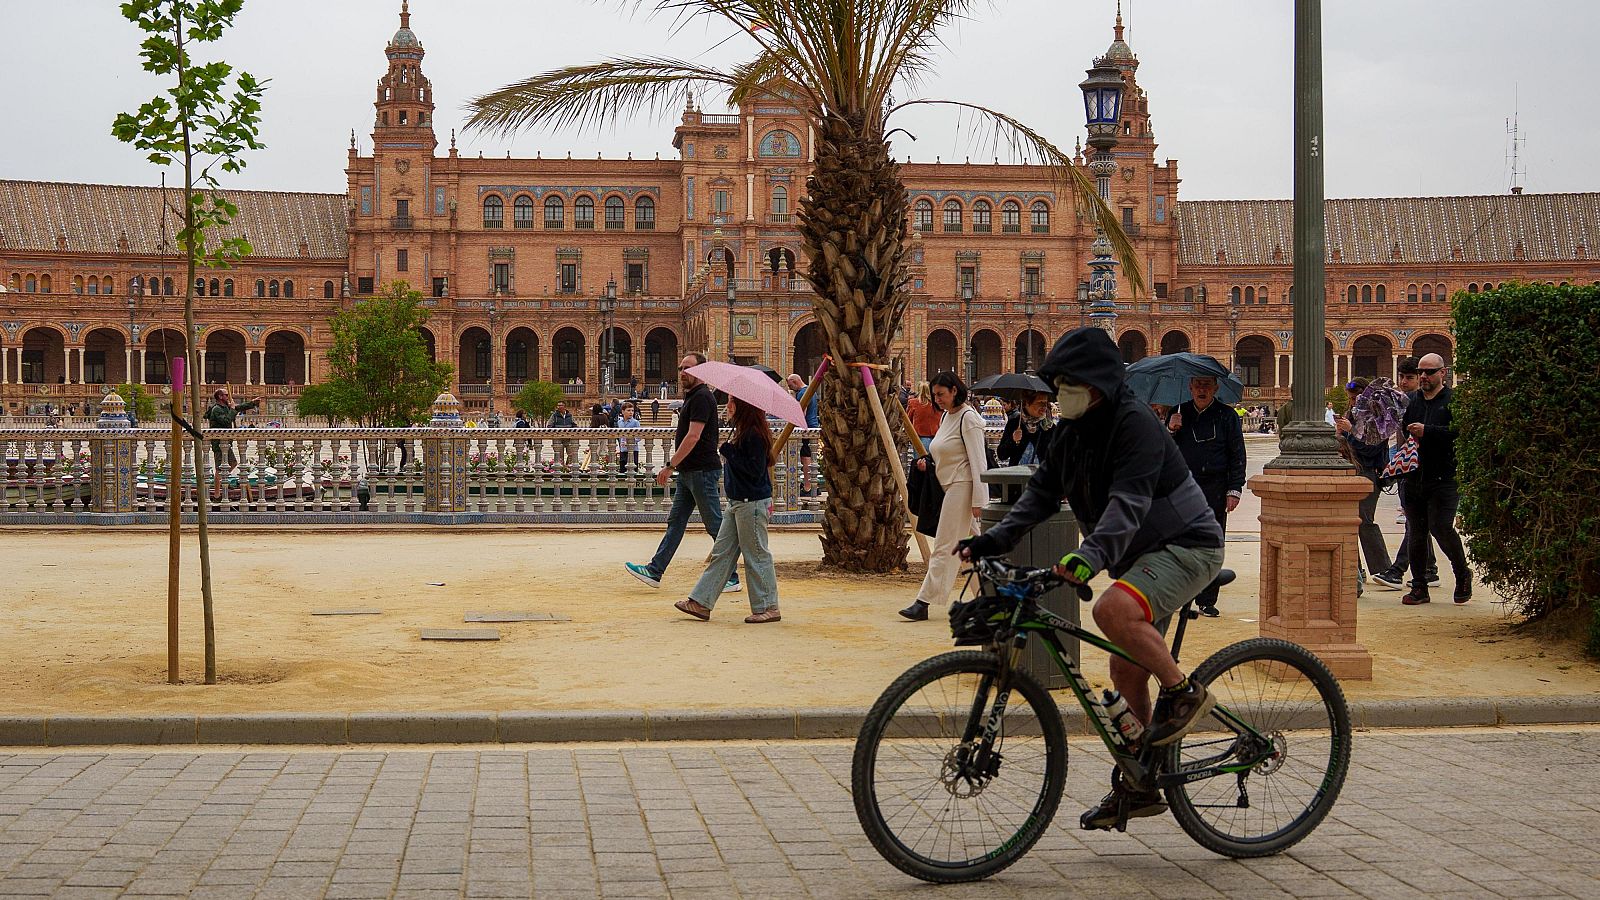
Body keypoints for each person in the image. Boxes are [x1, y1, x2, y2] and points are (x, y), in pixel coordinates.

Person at [957, 327, 1224, 830]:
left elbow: (1129, 504)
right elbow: (1039, 496)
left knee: (1110, 610)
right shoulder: (1070, 432)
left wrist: (1089, 556)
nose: (1059, 393)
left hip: (1186, 546)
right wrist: (991, 540)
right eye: (1057, 384)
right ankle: (1141, 783)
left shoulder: (1135, 425)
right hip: (1136, 561)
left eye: (1068, 383)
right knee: (1125, 674)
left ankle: (1184, 693)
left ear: (1097, 384)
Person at [626, 353, 741, 593]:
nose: (682, 372)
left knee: (714, 525)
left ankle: (731, 576)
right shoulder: (693, 397)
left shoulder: (702, 397)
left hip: (701, 471)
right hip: (689, 472)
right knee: (676, 522)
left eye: (687, 368)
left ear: (701, 371)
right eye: (680, 368)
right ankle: (655, 570)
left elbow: (693, 436)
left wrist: (670, 465)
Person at [673, 396, 780, 623]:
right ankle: (701, 602)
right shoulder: (743, 432)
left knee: (756, 554)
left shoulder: (753, 435)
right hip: (737, 502)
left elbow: (755, 469)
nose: (728, 406)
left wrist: (729, 452)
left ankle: (768, 606)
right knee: (722, 553)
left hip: (751, 503)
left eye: (732, 402)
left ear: (744, 406)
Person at [900, 372, 989, 622]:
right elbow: (944, 451)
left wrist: (979, 500)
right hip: (950, 485)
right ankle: (989, 597)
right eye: (935, 395)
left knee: (944, 544)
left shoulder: (968, 418)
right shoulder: (948, 416)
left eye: (941, 394)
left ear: (954, 391)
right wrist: (928, 464)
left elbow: (978, 461)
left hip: (962, 486)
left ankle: (924, 601)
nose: (937, 399)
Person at [1166, 375, 1245, 614]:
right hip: (1182, 488)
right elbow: (1162, 451)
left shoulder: (1227, 416)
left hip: (1215, 488)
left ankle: (1207, 600)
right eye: (1198, 385)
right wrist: (1170, 430)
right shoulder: (1177, 413)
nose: (1202, 389)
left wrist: (1235, 489)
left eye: (1207, 385)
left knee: (1211, 543)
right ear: (1190, 387)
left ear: (1215, 388)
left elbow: (1237, 454)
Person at [1398, 353, 1472, 605]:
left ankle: (1462, 574)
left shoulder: (1454, 401)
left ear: (1443, 373)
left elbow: (1461, 431)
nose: (1424, 376)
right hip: (1414, 476)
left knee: (1441, 528)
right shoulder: (1412, 401)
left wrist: (1427, 431)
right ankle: (1419, 586)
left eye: (1429, 372)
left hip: (1444, 477)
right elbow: (1404, 430)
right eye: (1421, 372)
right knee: (1417, 532)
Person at [1371, 357, 1437, 591]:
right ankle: (1430, 570)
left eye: (1409, 377)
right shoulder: (1403, 402)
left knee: (1415, 522)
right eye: (1402, 377)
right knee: (1419, 522)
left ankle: (1397, 570)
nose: (1404, 382)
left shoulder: (1421, 404)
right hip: (1406, 468)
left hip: (1421, 471)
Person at [1335, 378, 1392, 585]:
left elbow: (1370, 449)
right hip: (1351, 472)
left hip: (1368, 473)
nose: (1352, 403)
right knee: (1348, 522)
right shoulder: (1352, 415)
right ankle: (1356, 570)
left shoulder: (1377, 419)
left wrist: (1351, 431)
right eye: (1350, 399)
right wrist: (1340, 434)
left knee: (1364, 520)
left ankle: (1384, 569)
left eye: (1356, 399)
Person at [204, 388, 261, 501]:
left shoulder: (225, 407)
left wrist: (252, 403)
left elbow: (239, 407)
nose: (228, 397)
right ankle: (216, 495)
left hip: (226, 443)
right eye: (226, 395)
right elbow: (226, 420)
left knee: (233, 463)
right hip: (219, 443)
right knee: (219, 468)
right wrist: (233, 410)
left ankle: (222, 480)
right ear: (220, 397)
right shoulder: (216, 409)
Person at [786, 373, 821, 497]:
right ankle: (814, 486)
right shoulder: (811, 391)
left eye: (791, 386)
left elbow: (802, 413)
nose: (791, 388)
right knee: (810, 457)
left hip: (806, 429)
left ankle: (807, 487)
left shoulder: (802, 393)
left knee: (805, 458)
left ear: (795, 382)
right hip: (813, 426)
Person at [996, 390, 1052, 467]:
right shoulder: (1015, 424)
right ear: (1026, 403)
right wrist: (1013, 440)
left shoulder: (1048, 426)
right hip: (1017, 473)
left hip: (1041, 473)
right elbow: (1001, 455)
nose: (1044, 407)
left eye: (1045, 403)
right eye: (1040, 402)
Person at [906, 381, 941, 452]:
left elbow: (908, 421)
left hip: (920, 438)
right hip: (937, 437)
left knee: (920, 458)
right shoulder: (937, 404)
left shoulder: (913, 403)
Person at [547, 400, 576, 467]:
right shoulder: (554, 415)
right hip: (558, 438)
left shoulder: (570, 415)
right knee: (559, 455)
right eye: (558, 405)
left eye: (561, 405)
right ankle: (561, 468)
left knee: (571, 454)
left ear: (564, 406)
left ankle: (568, 466)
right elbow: (549, 425)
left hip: (568, 438)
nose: (559, 407)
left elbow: (574, 425)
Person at [616, 401, 643, 473]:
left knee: (633, 470)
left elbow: (639, 436)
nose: (631, 412)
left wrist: (630, 442)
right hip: (623, 449)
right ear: (623, 411)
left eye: (632, 411)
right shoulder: (619, 422)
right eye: (628, 410)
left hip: (633, 450)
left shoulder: (635, 422)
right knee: (622, 470)